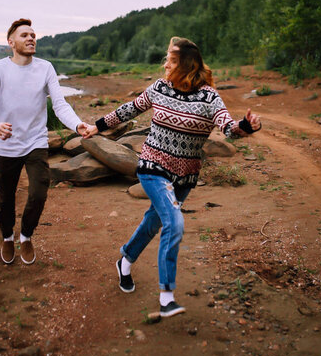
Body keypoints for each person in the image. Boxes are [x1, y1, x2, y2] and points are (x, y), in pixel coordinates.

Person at [83, 37, 261, 317]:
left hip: (185, 176)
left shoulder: (209, 97)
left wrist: (246, 127)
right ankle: (167, 297)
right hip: (152, 165)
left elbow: (228, 127)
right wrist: (96, 127)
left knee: (155, 221)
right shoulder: (159, 88)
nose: (165, 64)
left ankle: (125, 261)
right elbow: (128, 110)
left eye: (171, 59)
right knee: (174, 222)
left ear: (186, 64)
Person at [0, 18, 90, 265]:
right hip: (6, 145)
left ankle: (26, 236)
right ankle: (7, 238)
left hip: (36, 142)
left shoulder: (45, 67)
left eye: (33, 35)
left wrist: (77, 124)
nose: (30, 38)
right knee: (6, 197)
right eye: (24, 35)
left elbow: (59, 104)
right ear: (11, 42)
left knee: (39, 192)